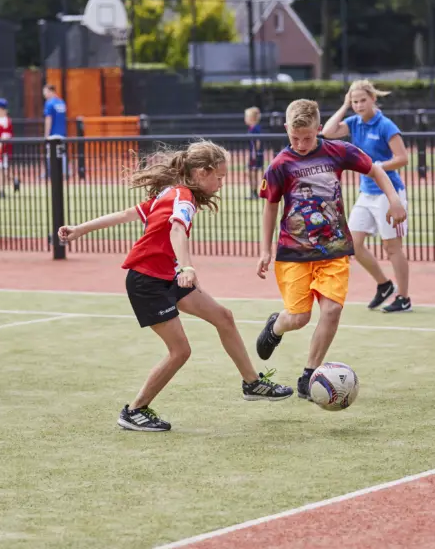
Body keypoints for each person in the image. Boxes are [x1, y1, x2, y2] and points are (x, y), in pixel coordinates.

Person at [58, 140, 293, 432]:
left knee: (224, 317)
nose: (222, 182)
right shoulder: (182, 196)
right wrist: (186, 267)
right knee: (180, 351)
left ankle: (252, 384)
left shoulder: (171, 192)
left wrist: (79, 229)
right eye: (219, 177)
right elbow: (177, 230)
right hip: (148, 281)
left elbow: (124, 215)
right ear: (200, 173)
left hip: (166, 276)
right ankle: (134, 410)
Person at [255, 99, 407, 400]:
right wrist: (265, 249)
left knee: (333, 310)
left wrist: (394, 199)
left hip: (334, 249)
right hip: (293, 253)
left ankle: (309, 374)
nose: (300, 143)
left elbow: (375, 169)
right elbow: (270, 207)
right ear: (286, 129)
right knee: (298, 318)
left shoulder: (338, 151)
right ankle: (276, 326)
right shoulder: (279, 165)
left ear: (318, 129)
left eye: (307, 137)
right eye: (294, 137)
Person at [322, 80, 412, 313]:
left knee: (392, 248)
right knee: (352, 243)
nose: (359, 105)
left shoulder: (385, 125)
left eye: (363, 100)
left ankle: (403, 297)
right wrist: (344, 105)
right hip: (366, 194)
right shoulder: (353, 122)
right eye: (355, 101)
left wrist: (378, 167)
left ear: (373, 99)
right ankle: (384, 285)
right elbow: (327, 132)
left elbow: (402, 158)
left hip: (388, 193)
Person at [0, 98, 20, 198]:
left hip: (4, 151)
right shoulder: (1, 120)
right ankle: (14, 180)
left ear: (2, 109)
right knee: (1, 170)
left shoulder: (4, 121)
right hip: (2, 150)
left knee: (2, 170)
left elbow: (5, 137)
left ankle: (2, 191)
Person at [42, 84, 67, 178]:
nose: (44, 94)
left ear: (50, 91)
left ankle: (50, 173)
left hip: (53, 133)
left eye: (45, 92)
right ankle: (63, 173)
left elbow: (48, 119)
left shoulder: (49, 103)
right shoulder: (61, 102)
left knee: (50, 154)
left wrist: (46, 134)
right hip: (62, 133)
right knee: (62, 154)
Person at [245, 107, 264, 199]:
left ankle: (254, 193)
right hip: (255, 154)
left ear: (252, 118)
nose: (245, 119)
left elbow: (257, 141)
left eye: (246, 117)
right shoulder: (252, 128)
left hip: (255, 154)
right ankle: (253, 192)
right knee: (251, 173)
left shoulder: (255, 128)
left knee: (252, 173)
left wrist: (254, 153)